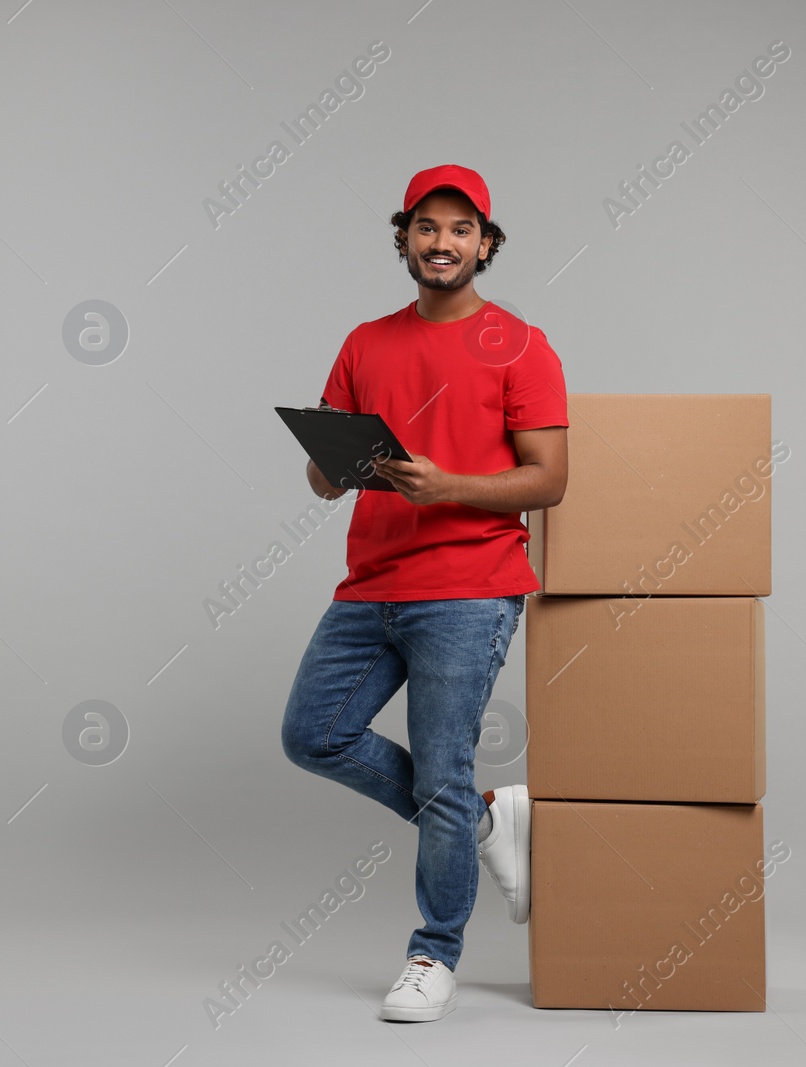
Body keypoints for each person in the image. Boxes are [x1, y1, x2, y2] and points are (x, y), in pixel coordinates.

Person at [281, 165, 570, 1022]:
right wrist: (335, 465)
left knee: (439, 769)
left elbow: (549, 479)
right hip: (371, 584)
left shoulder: (521, 343)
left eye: (460, 229)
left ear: (486, 244)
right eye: (426, 227)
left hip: (469, 588)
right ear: (404, 237)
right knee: (313, 734)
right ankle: (483, 820)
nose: (441, 243)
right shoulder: (366, 342)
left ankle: (433, 952)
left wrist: (444, 487)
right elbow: (318, 478)